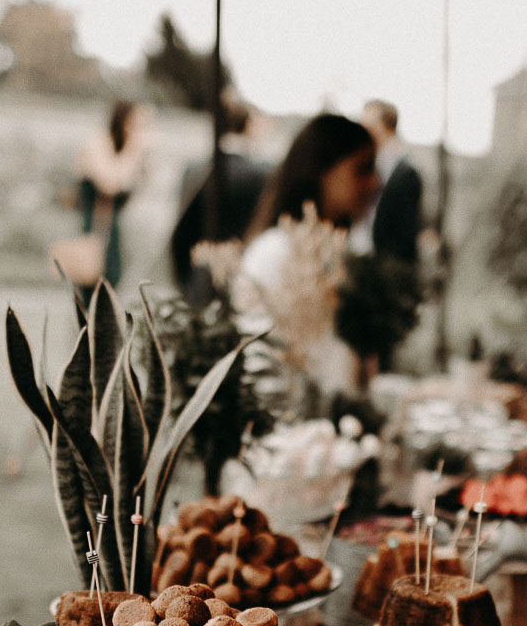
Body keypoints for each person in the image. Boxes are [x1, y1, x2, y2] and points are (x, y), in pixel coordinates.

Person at [234, 112, 379, 399]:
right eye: (362, 169)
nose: (374, 182)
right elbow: (261, 369)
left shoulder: (346, 253)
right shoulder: (273, 253)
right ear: (322, 171)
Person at [169, 92, 271, 305]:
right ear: (248, 125)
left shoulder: (195, 170)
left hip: (197, 277)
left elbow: (181, 233)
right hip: (243, 278)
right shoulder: (260, 175)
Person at [74, 99, 149, 300]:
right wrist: (134, 150)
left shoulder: (122, 149)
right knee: (95, 283)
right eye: (136, 124)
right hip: (96, 226)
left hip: (111, 226)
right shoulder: (98, 144)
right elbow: (109, 184)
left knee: (112, 280)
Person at [354, 99, 423, 265]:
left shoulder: (405, 174)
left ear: (386, 126)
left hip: (385, 265)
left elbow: (405, 233)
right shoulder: (368, 163)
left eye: (369, 123)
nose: (364, 129)